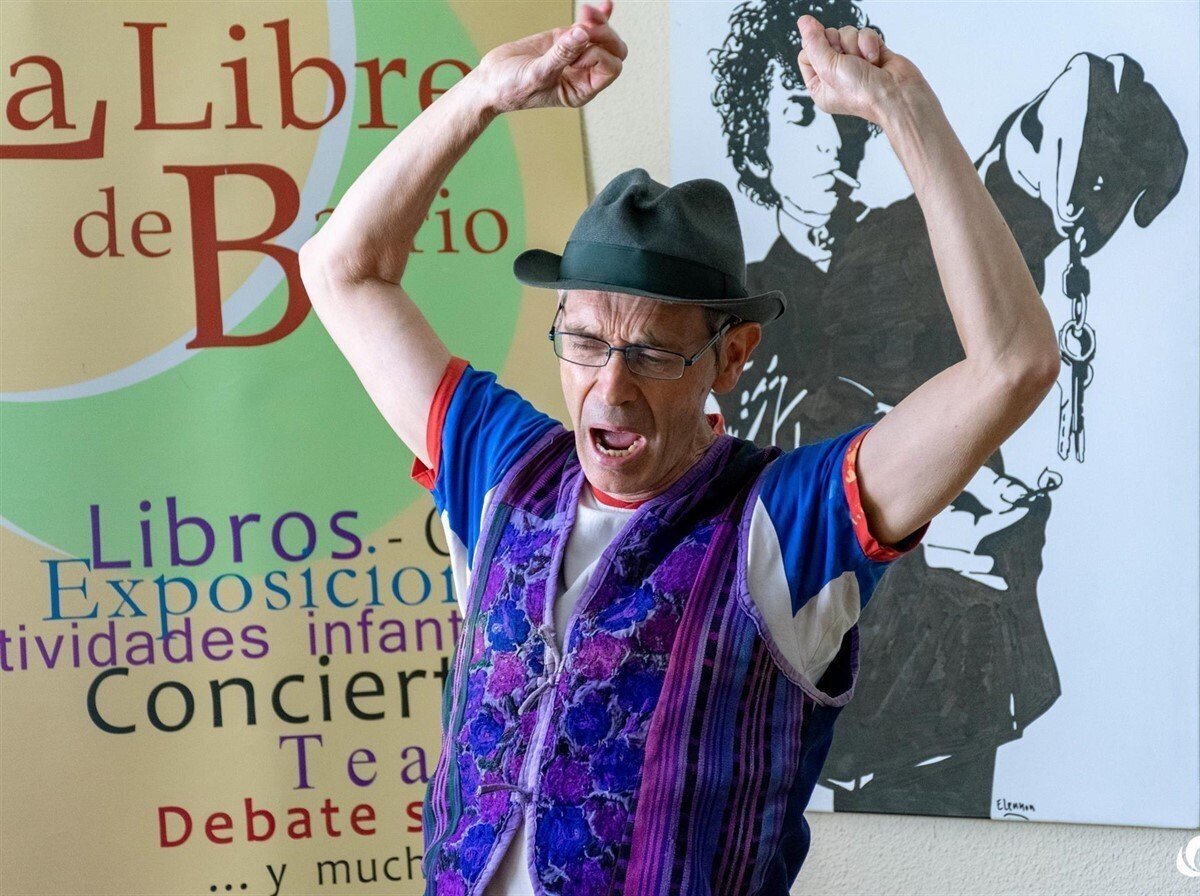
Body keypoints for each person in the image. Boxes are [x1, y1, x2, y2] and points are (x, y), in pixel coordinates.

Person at [298, 3, 1061, 893]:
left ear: (731, 358)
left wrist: (907, 114)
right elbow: (340, 269)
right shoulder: (501, 469)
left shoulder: (787, 524)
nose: (610, 388)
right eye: (584, 342)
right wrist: (482, 95)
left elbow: (1012, 364)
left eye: (654, 354)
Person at [707, 0, 1186, 817]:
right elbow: (777, 440)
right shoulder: (736, 308)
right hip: (788, 695)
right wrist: (929, 508)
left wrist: (1038, 138)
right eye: (800, 115)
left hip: (942, 686)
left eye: (843, 119)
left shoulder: (915, 241)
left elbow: (998, 219)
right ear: (753, 139)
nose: (834, 143)